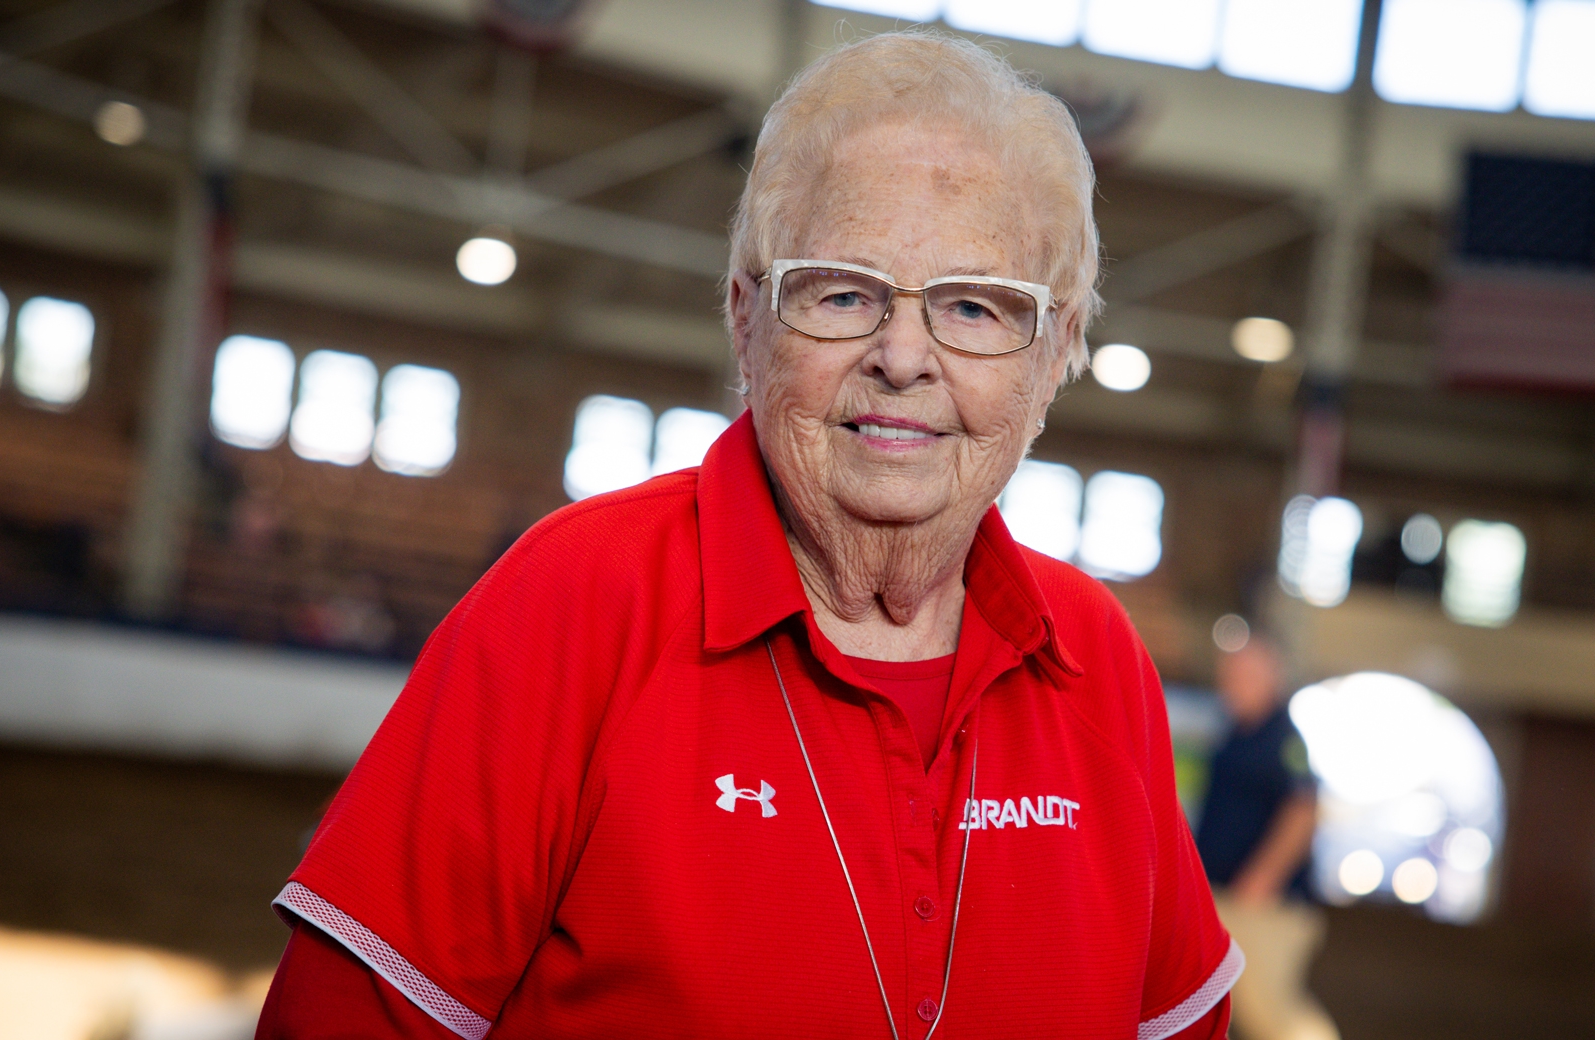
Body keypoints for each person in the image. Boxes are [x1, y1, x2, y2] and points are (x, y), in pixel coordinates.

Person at [255, 30, 1238, 1040]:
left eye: (975, 307)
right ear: (745, 320)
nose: (902, 356)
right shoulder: (573, 598)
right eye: (842, 293)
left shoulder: (1095, 657)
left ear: (1054, 352)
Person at [1194, 634, 1338, 1040]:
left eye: (1244, 674)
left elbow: (1303, 810)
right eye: (1229, 674)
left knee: (1273, 1014)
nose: (1232, 683)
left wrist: (1261, 880)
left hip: (1263, 907)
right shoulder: (1236, 732)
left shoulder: (1283, 739)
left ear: (1271, 677)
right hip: (1227, 899)